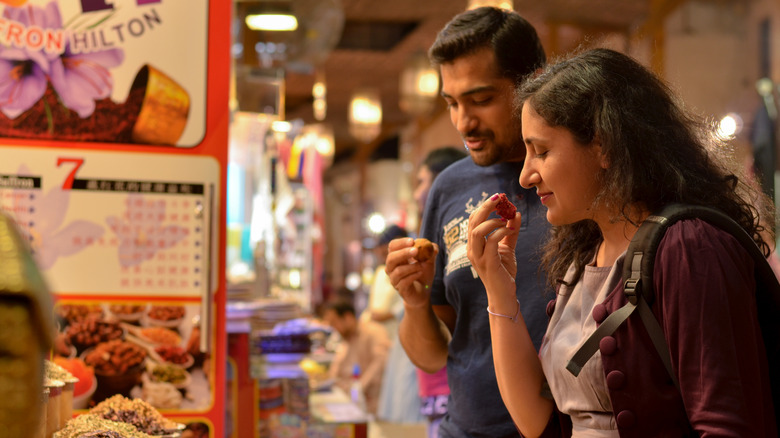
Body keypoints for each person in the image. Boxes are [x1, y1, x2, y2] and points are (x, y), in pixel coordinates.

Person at [466, 47, 777, 436]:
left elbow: (727, 425)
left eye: (542, 151)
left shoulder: (688, 247)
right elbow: (539, 423)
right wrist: (498, 288)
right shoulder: (581, 257)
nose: (526, 176)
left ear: (604, 146)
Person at [384, 6, 551, 438]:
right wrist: (415, 302)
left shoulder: (572, 180)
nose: (463, 122)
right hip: (463, 428)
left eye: (481, 100)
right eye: (452, 103)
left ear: (532, 80)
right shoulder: (449, 188)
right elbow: (435, 355)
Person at [412, 146, 467, 438]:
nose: (417, 193)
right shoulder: (427, 237)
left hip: (454, 384)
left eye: (422, 182)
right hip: (436, 378)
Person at [368, 225, 425, 424]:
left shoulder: (413, 268)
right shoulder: (380, 274)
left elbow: (414, 298)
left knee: (407, 392)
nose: (382, 256)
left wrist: (388, 314)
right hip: (386, 343)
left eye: (386, 252)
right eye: (380, 252)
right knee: (392, 393)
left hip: (407, 336)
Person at [322, 298, 391, 417]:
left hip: (377, 409)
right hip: (352, 407)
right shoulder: (345, 342)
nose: (333, 328)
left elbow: (381, 361)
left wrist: (359, 387)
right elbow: (335, 373)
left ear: (348, 317)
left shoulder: (373, 331)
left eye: (334, 322)